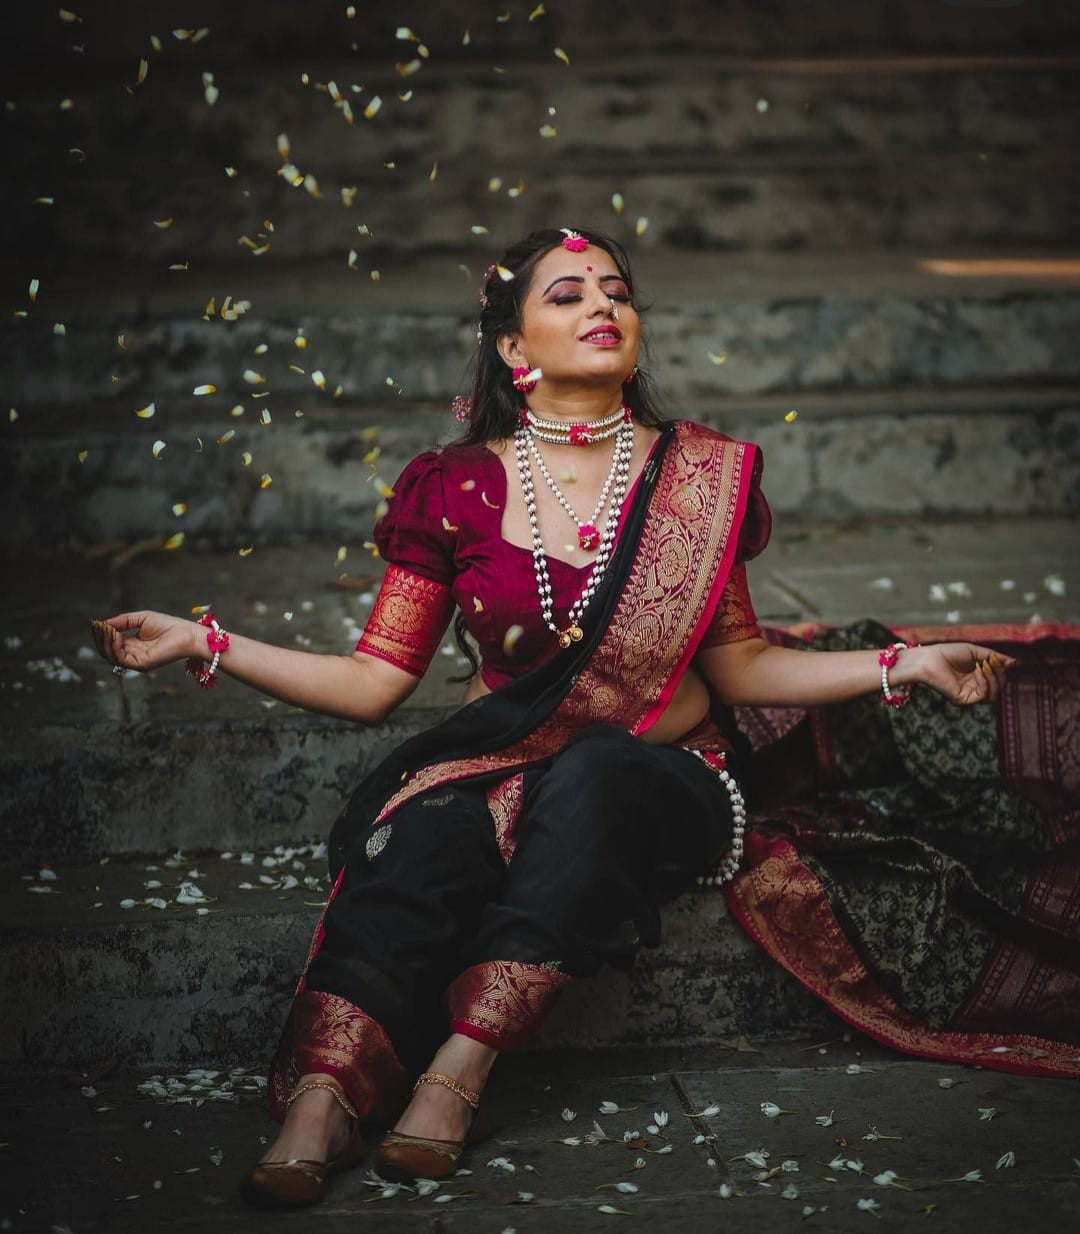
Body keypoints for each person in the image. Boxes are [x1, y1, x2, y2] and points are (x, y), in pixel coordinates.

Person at [90, 227, 1079, 1210]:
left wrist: (902, 663)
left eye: (616, 290)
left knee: (594, 771)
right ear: (514, 349)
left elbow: (740, 666)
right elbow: (374, 680)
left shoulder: (701, 479)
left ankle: (460, 1070)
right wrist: (202, 643)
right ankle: (324, 1094)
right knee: (421, 837)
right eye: (567, 295)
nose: (603, 306)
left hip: (671, 780)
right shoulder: (453, 487)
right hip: (499, 766)